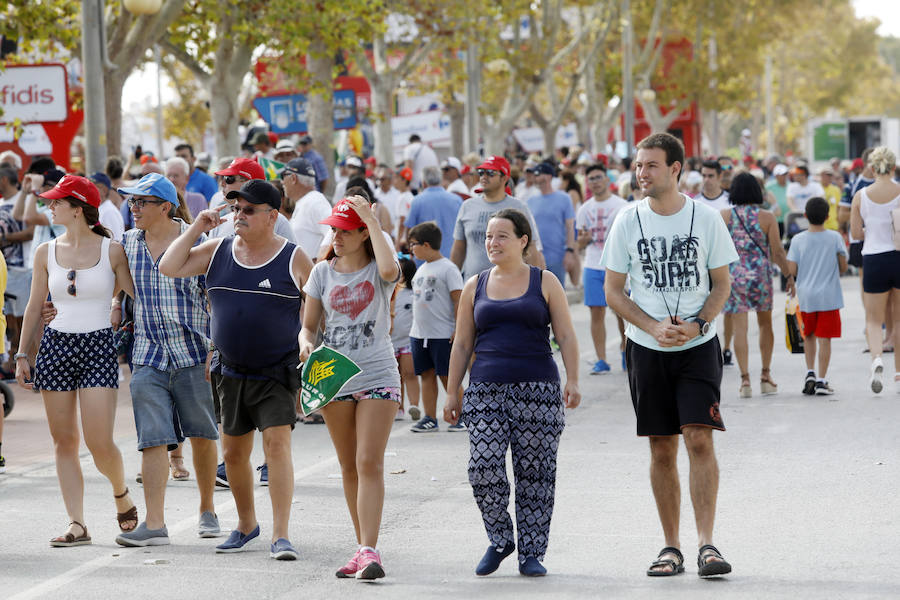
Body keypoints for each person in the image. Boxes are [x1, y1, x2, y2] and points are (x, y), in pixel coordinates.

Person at [601, 133, 737, 578]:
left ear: (676, 169)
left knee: (699, 437)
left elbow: (721, 284)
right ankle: (670, 547)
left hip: (698, 346)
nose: (642, 173)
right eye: (639, 165)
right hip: (646, 348)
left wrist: (697, 324)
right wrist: (652, 327)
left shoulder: (708, 218)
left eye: (651, 165)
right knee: (662, 448)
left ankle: (707, 545)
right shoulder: (626, 220)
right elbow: (613, 291)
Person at [159, 180, 312, 560]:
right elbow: (169, 266)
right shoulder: (218, 249)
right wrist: (197, 227)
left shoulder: (293, 257)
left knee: (276, 446)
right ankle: (246, 524)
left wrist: (310, 339)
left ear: (272, 216)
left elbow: (318, 300)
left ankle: (281, 534)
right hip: (230, 371)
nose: (239, 216)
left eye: (249, 210)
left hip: (277, 369)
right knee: (234, 453)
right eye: (236, 209)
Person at [443, 208, 580, 577]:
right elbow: (461, 344)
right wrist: (452, 392)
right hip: (486, 388)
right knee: (483, 467)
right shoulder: (475, 284)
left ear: (523, 241)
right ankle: (501, 538)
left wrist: (573, 379)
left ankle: (531, 553)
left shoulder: (545, 281)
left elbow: (565, 335)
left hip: (538, 389)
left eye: (502, 235)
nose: (493, 242)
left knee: (535, 474)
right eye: (488, 236)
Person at [15, 175, 138, 546]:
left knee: (100, 441)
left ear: (78, 208)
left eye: (56, 202)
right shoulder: (45, 252)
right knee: (64, 441)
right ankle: (77, 523)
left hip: (99, 345)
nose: (49, 206)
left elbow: (136, 297)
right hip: (55, 346)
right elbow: (36, 306)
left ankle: (120, 492)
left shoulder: (112, 250)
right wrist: (23, 353)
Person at [104, 173, 221, 546]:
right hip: (148, 353)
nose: (133, 208)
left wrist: (215, 349)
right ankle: (155, 524)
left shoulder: (199, 240)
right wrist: (114, 303)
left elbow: (216, 300)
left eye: (141, 202)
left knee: (202, 434)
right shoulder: (127, 243)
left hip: (193, 352)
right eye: (131, 202)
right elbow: (115, 285)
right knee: (151, 439)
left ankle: (208, 509)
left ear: (165, 207)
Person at [298, 194, 402, 580]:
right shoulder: (321, 273)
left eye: (344, 230)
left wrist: (372, 221)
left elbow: (391, 269)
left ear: (362, 234)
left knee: (368, 461)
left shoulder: (379, 269)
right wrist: (306, 344)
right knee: (348, 466)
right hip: (333, 374)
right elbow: (308, 326)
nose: (336, 237)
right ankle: (363, 548)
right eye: (333, 230)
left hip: (378, 375)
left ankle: (369, 549)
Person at [720, 172, 793, 397]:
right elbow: (777, 251)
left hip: (734, 276)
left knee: (740, 328)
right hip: (761, 276)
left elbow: (718, 250)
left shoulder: (724, 216)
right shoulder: (767, 217)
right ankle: (765, 375)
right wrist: (789, 276)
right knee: (765, 324)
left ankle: (744, 381)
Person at [850, 146, 900, 394]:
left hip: (873, 258)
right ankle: (899, 372)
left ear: (872, 167)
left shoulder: (861, 195)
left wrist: (872, 230)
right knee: (899, 317)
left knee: (873, 319)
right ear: (893, 167)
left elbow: (855, 233)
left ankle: (877, 360)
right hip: (898, 256)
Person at [405, 222, 464, 433]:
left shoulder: (448, 268)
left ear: (427, 244)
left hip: (442, 334)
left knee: (448, 376)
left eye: (414, 244)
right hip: (420, 334)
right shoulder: (421, 268)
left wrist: (458, 327)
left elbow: (459, 300)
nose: (411, 249)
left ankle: (461, 416)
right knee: (426, 375)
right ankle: (430, 417)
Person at [786, 197, 848, 395]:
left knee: (809, 336)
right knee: (825, 339)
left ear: (805, 216)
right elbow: (844, 267)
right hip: (829, 296)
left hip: (806, 296)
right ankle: (822, 380)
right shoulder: (835, 237)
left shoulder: (797, 240)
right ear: (828, 216)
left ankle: (810, 371)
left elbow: (792, 269)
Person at [451, 156, 546, 278]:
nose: (484, 177)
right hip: (474, 286)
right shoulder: (467, 206)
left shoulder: (519, 207)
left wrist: (536, 283)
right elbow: (459, 248)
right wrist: (453, 282)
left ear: (504, 178)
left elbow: (531, 247)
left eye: (490, 173)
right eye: (481, 172)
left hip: (511, 286)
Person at [577, 164, 628, 373]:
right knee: (595, 312)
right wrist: (584, 240)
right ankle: (602, 359)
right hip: (592, 265)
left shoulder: (622, 206)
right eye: (591, 179)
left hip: (616, 266)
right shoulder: (584, 209)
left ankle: (627, 351)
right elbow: (578, 243)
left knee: (622, 312)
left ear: (607, 180)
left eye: (599, 177)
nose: (595, 182)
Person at [0, 165, 35, 376]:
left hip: (23, 269)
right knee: (8, 319)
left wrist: (4, 239)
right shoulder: (2, 203)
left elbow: (31, 232)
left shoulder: (23, 203)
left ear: (4, 179)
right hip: (5, 270)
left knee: (24, 321)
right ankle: (10, 363)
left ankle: (30, 365)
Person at [527, 163, 575, 287]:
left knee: (557, 296)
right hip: (535, 257)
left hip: (557, 257)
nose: (535, 178)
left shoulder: (564, 198)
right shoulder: (530, 201)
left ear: (548, 176)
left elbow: (570, 227)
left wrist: (569, 252)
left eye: (538, 174)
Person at [404, 166, 462, 259]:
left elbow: (409, 232)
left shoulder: (417, 201)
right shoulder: (456, 200)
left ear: (423, 182)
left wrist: (411, 251)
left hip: (425, 259)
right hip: (453, 257)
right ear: (441, 180)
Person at [280, 157, 330, 258]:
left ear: (293, 178)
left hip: (311, 272)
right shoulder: (307, 201)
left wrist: (320, 262)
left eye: (283, 176)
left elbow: (333, 231)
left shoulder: (315, 201)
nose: (282, 182)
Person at [392, 256, 420, 421]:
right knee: (396, 376)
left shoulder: (413, 294)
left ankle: (414, 405)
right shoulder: (390, 292)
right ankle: (398, 407)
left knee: (410, 373)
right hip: (390, 341)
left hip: (407, 341)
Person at [89, 172, 126, 242]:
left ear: (104, 190)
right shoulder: (102, 209)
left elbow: (116, 241)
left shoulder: (109, 212)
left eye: (92, 186)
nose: (88, 190)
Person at [765, 164, 790, 237]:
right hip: (775, 220)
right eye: (781, 174)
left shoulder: (791, 185)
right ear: (775, 176)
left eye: (785, 174)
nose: (784, 176)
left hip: (789, 219)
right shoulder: (769, 186)